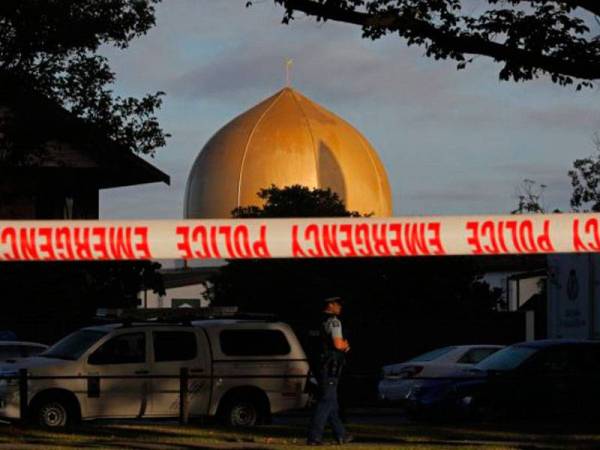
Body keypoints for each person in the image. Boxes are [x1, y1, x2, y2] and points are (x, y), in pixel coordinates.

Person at [307, 297, 353, 446]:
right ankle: (314, 437)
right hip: (330, 366)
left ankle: (342, 434)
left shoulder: (315, 321)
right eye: (338, 305)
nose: (340, 308)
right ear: (331, 305)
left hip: (318, 365)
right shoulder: (334, 321)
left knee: (332, 402)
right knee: (326, 401)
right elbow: (337, 344)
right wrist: (345, 345)